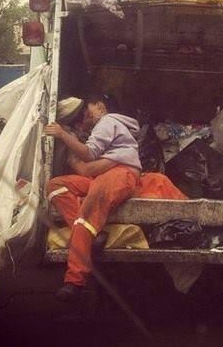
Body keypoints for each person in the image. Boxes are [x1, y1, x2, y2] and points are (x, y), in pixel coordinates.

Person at [44, 94, 142, 302]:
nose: (84, 118)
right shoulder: (105, 127)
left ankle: (75, 281)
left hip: (120, 175)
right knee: (55, 186)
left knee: (88, 211)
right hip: (106, 175)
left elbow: (88, 155)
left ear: (100, 107)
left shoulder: (108, 121)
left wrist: (62, 134)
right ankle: (92, 234)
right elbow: (89, 165)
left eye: (87, 112)